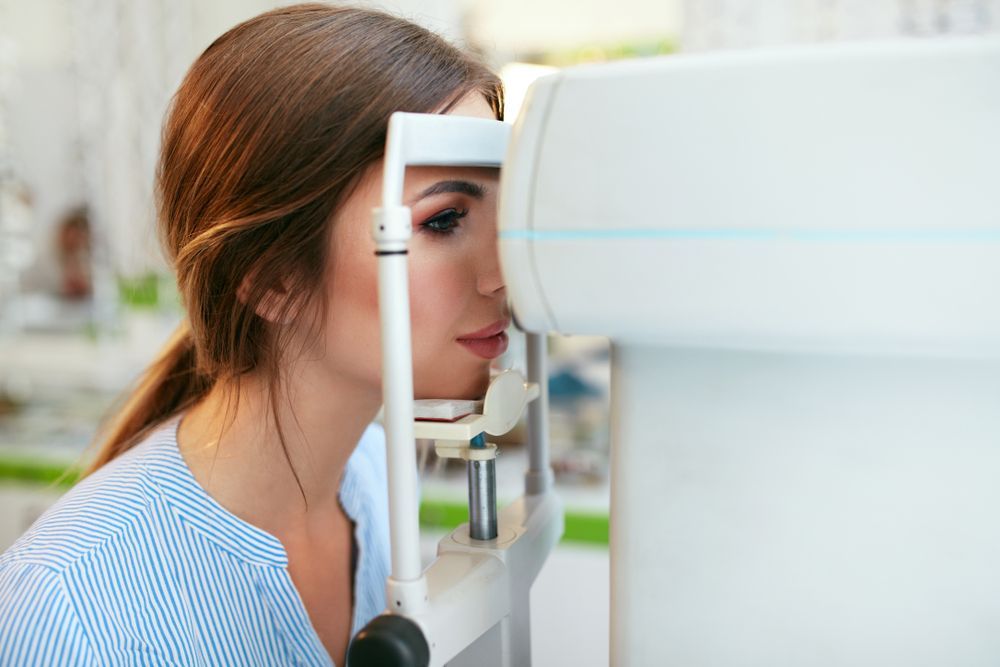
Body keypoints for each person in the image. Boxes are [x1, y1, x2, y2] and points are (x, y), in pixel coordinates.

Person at [0, 4, 508, 665]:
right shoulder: (66, 609)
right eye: (442, 221)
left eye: (503, 211)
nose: (502, 274)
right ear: (271, 279)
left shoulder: (374, 481)